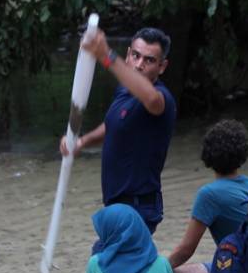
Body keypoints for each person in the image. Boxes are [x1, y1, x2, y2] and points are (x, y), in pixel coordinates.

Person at [60, 27, 176, 234]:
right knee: (112, 265)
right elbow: (114, 124)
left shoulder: (161, 98)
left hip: (138, 208)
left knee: (100, 263)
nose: (139, 65)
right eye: (135, 56)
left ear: (162, 66)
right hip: (117, 206)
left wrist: (106, 56)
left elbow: (151, 99)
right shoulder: (125, 90)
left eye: (149, 60)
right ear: (128, 54)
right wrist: (82, 142)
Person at [168, 119, 248, 273]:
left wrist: (151, 270)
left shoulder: (210, 194)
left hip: (244, 272)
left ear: (207, 155)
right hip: (242, 264)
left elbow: (186, 250)